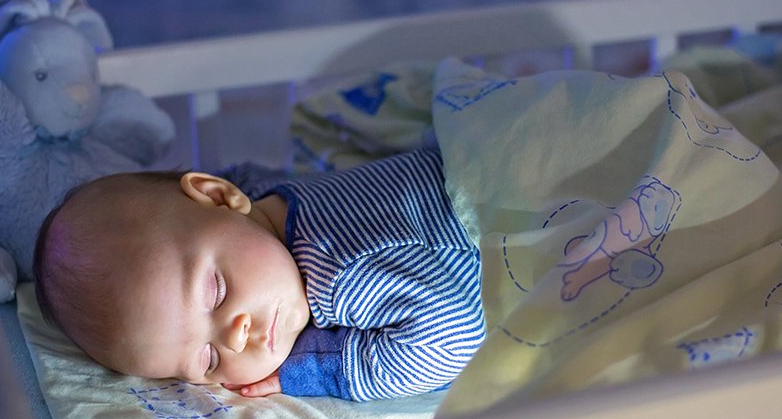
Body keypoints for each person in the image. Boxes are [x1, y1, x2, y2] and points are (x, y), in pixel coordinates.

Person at [33, 147, 485, 401]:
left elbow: (455, 336)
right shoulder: (274, 198)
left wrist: (319, 369)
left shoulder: (339, 277)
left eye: (216, 290)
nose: (234, 339)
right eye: (208, 361)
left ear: (220, 195)